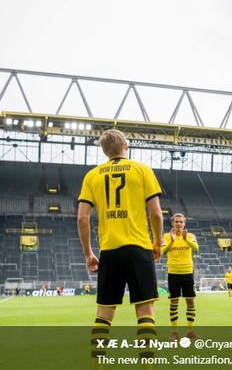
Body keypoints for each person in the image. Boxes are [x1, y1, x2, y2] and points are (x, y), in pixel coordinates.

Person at [77, 129, 163, 362]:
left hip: (110, 251)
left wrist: (88, 253)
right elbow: (155, 213)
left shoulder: (92, 176)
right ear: (126, 144)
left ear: (105, 151)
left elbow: (82, 218)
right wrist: (158, 242)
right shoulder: (142, 170)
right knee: (145, 313)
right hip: (138, 248)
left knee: (104, 314)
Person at [161, 213, 199, 339]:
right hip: (173, 273)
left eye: (181, 222)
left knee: (190, 301)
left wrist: (185, 238)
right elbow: (162, 252)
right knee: (174, 302)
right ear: (172, 223)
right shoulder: (166, 236)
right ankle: (174, 332)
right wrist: (171, 241)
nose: (178, 224)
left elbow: (196, 248)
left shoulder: (190, 236)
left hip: (187, 272)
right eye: (176, 221)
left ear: (184, 224)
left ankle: (190, 331)